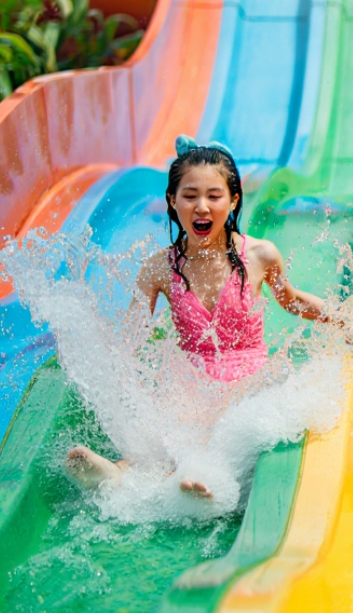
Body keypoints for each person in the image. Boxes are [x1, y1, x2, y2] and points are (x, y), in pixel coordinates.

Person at [67, 135, 331, 498]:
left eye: (214, 196)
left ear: (234, 200)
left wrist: (345, 319)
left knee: (218, 417)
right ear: (172, 202)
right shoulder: (159, 268)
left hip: (249, 378)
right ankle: (118, 471)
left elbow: (293, 299)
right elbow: (130, 335)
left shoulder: (260, 255)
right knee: (169, 423)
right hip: (192, 377)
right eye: (189, 196)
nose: (202, 207)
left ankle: (193, 478)